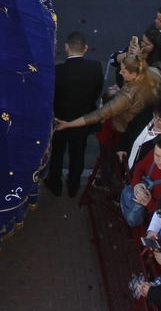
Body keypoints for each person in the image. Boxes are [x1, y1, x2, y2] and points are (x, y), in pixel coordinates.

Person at [45, 31, 103, 197]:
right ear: (85, 48)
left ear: (66, 47)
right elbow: (97, 91)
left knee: (57, 153)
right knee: (78, 154)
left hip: (59, 120)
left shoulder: (57, 71)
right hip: (83, 120)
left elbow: (51, 96)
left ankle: (55, 183)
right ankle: (73, 185)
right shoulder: (95, 67)